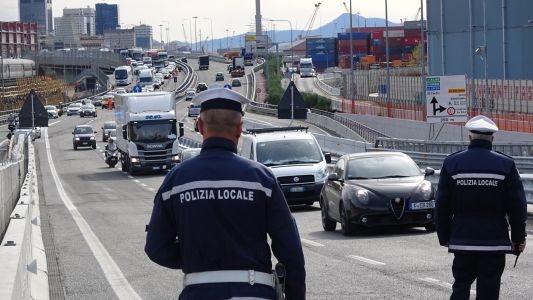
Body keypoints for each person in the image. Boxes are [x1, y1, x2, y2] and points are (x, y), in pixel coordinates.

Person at [145, 87, 306, 300]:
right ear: (240, 129)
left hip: (198, 293)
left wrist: (198, 258)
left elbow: (156, 247)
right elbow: (292, 255)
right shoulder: (262, 180)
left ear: (200, 126)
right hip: (255, 292)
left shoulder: (176, 180)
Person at [435, 115, 527, 300]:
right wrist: (518, 239)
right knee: (489, 290)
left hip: (462, 240)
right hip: (494, 242)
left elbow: (442, 205)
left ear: (469, 137)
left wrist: (444, 236)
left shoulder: (452, 163)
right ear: (492, 139)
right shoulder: (506, 164)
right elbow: (517, 207)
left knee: (460, 286)